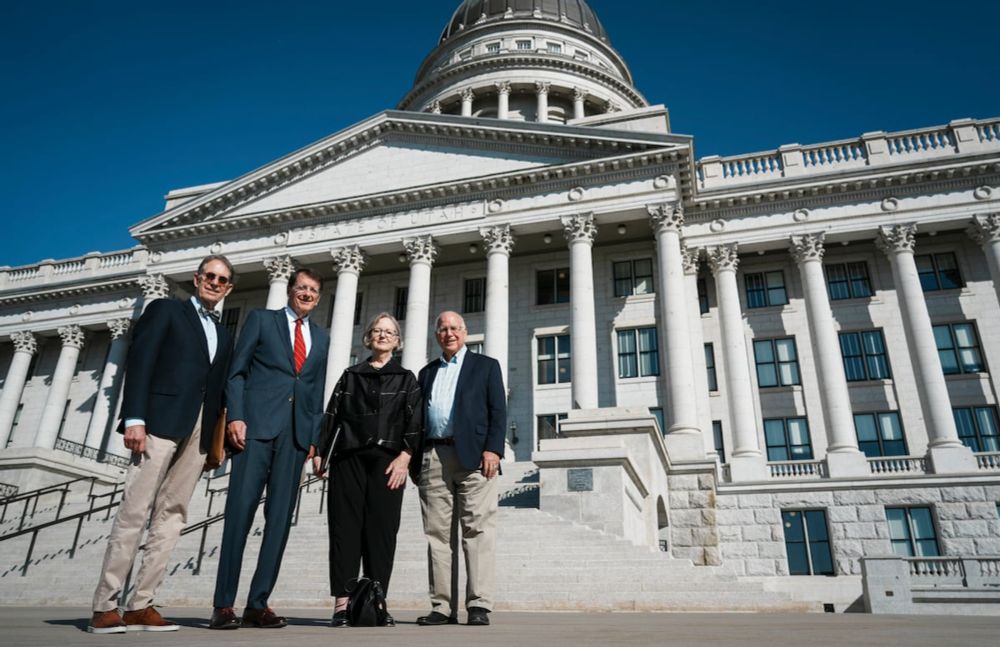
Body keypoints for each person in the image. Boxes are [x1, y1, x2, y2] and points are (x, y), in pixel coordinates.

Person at [88, 255, 236, 634]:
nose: (215, 284)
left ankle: (141, 604)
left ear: (229, 288)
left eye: (222, 280)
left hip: (199, 431)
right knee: (135, 511)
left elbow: (218, 385)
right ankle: (106, 605)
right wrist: (134, 417)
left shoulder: (223, 331)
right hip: (159, 422)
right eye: (210, 276)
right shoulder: (166, 310)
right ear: (197, 277)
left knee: (173, 515)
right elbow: (141, 362)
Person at [209, 268, 329, 630]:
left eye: (313, 290)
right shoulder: (262, 320)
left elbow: (315, 391)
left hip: (294, 439)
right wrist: (236, 416)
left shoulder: (321, 338)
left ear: (318, 297)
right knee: (239, 516)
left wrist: (313, 439)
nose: (306, 294)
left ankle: (258, 603)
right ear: (290, 290)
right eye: (302, 288)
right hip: (256, 430)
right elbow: (237, 372)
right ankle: (224, 605)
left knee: (278, 523)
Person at [314, 312, 422, 627]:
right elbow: (332, 414)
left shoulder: (406, 379)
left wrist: (405, 457)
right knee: (344, 530)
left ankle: (377, 600)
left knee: (382, 532)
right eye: (377, 330)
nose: (382, 335)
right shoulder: (351, 375)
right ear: (368, 338)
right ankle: (342, 604)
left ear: (398, 340)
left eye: (389, 331)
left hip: (389, 462)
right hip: (349, 457)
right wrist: (322, 453)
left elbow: (415, 422)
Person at [414, 311, 506, 627]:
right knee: (438, 535)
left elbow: (498, 410)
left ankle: (478, 604)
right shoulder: (426, 373)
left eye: (454, 328)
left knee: (477, 530)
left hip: (476, 458)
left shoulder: (486, 366)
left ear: (465, 332)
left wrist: (493, 449)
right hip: (434, 456)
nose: (449, 333)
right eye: (443, 329)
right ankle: (442, 606)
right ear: (436, 335)